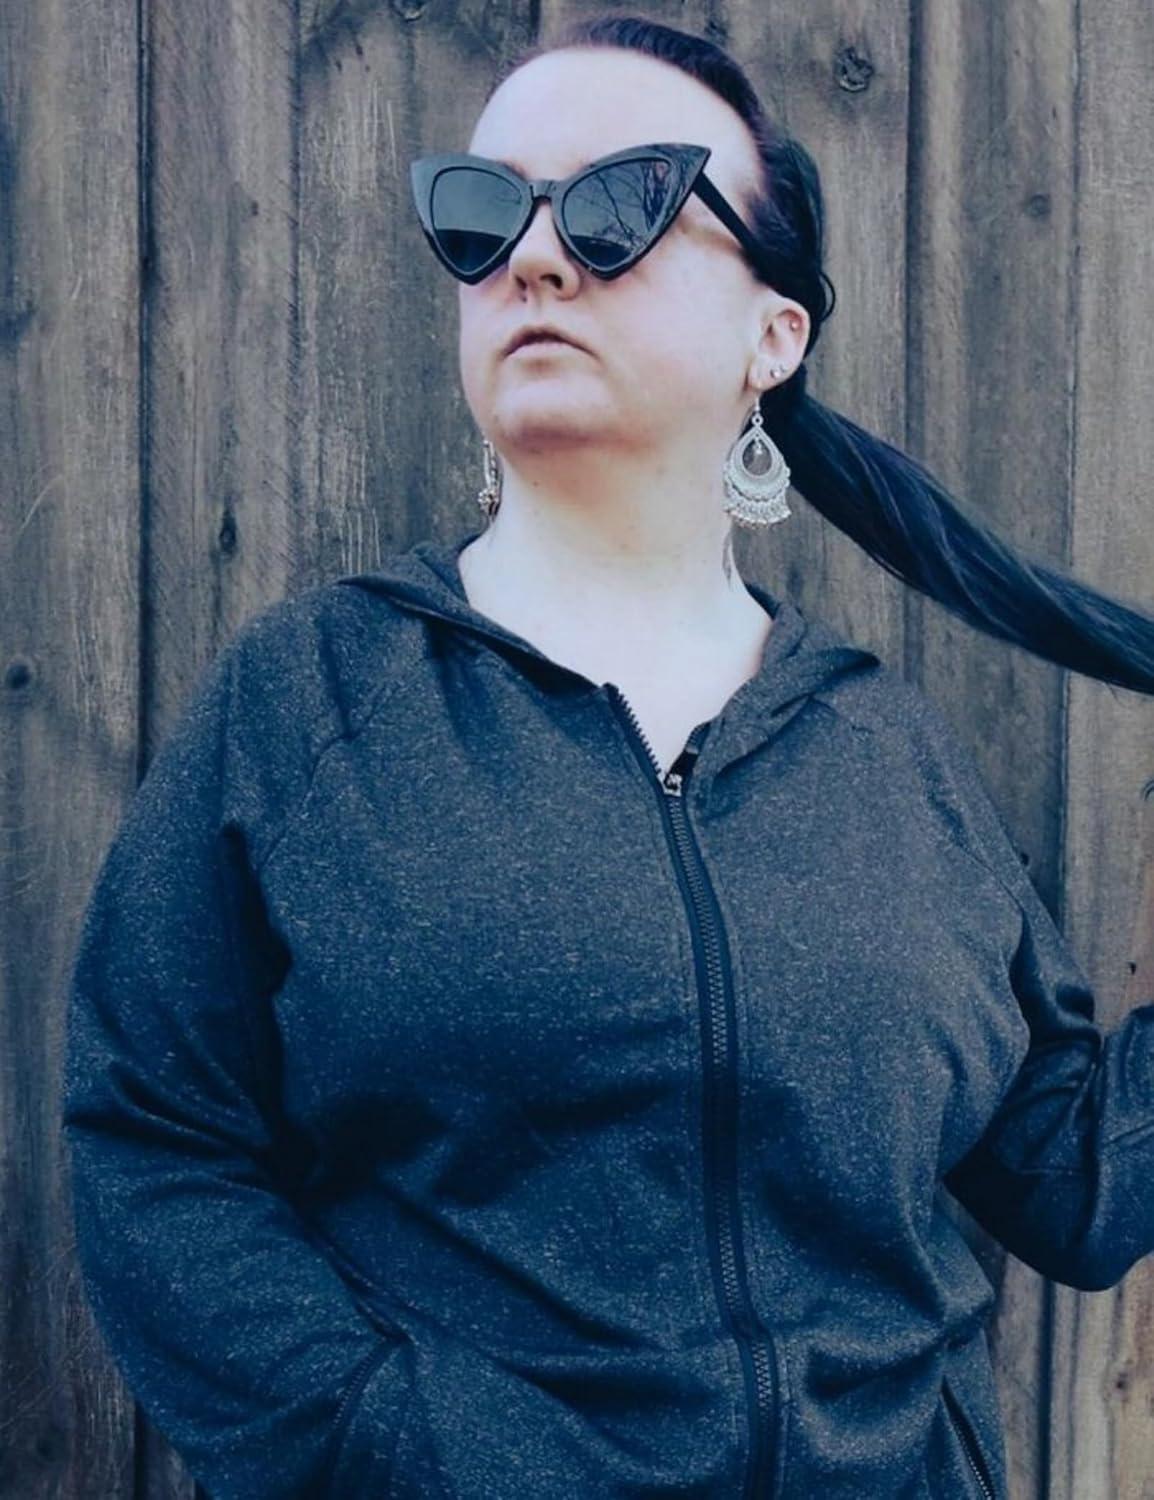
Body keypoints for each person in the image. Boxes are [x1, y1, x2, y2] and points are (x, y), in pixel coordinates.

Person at [61, 14, 1154, 1500]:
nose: (534, 256)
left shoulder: (884, 753)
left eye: (617, 205)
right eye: (482, 211)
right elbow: (153, 1136)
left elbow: (1074, 1179)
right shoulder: (311, 701)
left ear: (776, 335)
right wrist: (393, 1447)